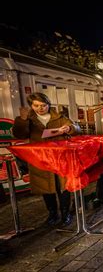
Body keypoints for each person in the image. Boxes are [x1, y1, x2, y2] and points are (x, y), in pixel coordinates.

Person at [12, 92, 81, 226]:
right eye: (36, 105)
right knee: (45, 187)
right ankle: (52, 214)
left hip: (59, 158)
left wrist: (70, 128)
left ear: (48, 104)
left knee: (63, 186)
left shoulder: (59, 116)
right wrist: (22, 119)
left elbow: (77, 129)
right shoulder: (29, 119)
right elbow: (19, 134)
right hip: (40, 159)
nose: (40, 108)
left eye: (43, 105)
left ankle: (66, 214)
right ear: (31, 106)